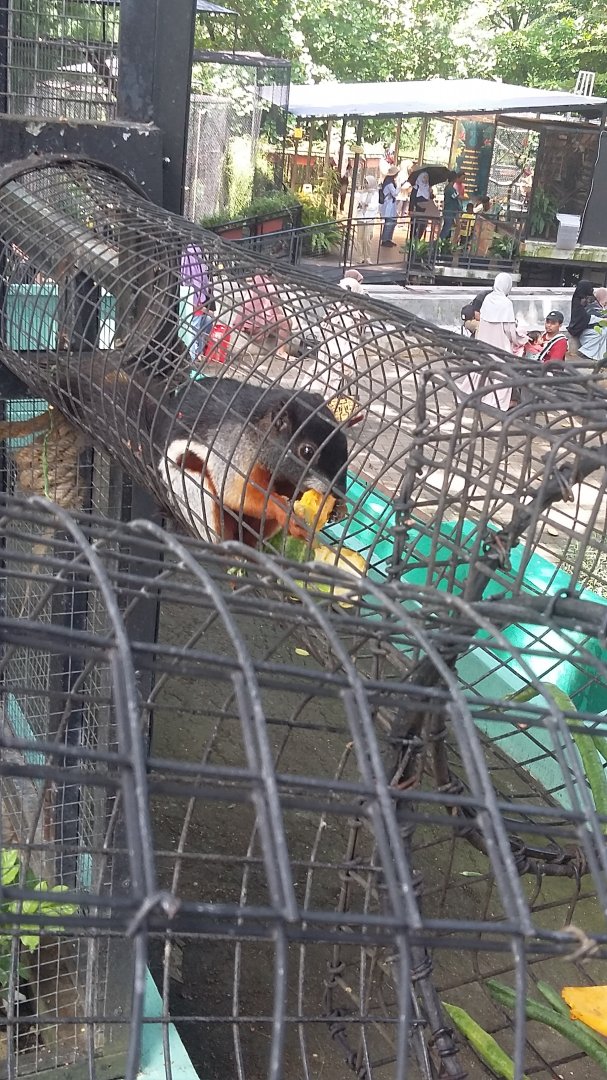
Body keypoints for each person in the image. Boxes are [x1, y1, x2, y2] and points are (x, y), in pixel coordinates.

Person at [181, 244, 214, 363]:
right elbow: (193, 304)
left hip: (199, 307)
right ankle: (192, 356)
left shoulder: (200, 280)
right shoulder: (187, 279)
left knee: (208, 322)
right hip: (192, 309)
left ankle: (198, 352)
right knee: (194, 329)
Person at [567, 279, 607, 361]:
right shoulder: (578, 301)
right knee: (602, 333)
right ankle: (585, 352)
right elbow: (585, 318)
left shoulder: (587, 299)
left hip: (589, 326)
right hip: (581, 329)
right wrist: (601, 320)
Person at [355, 175, 380, 263]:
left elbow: (375, 206)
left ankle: (368, 256)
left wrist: (367, 205)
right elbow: (358, 203)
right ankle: (360, 257)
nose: (366, 184)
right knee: (359, 238)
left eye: (367, 182)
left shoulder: (375, 194)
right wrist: (361, 205)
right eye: (365, 182)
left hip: (369, 218)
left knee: (367, 238)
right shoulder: (361, 193)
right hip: (361, 217)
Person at [380, 166, 400, 247]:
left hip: (391, 204)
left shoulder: (389, 181)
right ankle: (385, 240)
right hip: (388, 204)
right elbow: (394, 193)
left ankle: (388, 238)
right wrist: (399, 186)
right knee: (389, 222)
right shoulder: (389, 183)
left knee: (392, 221)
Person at [440, 171, 464, 241]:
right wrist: (468, 198)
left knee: (448, 227)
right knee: (447, 228)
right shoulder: (450, 189)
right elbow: (457, 197)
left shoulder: (450, 188)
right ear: (455, 178)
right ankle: (440, 242)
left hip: (452, 211)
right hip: (449, 211)